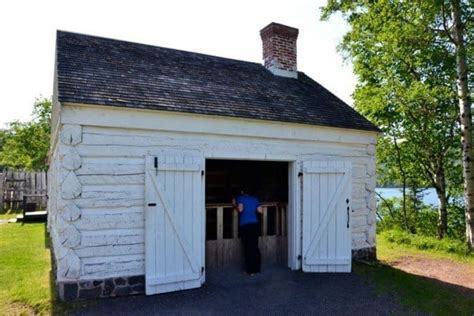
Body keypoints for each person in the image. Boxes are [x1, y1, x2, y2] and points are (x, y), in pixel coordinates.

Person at [235, 188, 262, 275]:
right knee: (254, 246)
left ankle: (250, 270)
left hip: (245, 225)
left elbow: (240, 210)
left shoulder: (240, 198)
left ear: (242, 191)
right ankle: (257, 268)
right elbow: (260, 210)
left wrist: (234, 205)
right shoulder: (255, 199)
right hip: (255, 224)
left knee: (247, 247)